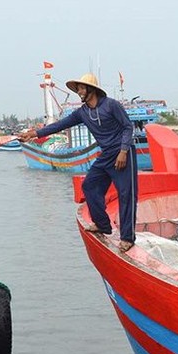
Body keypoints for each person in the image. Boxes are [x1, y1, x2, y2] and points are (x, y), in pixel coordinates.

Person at [33, 73, 138, 252]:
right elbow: (60, 125)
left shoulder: (111, 105)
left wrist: (123, 151)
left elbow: (128, 127)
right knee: (89, 185)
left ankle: (127, 237)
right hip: (106, 154)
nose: (79, 92)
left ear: (92, 90)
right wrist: (35, 134)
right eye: (78, 89)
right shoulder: (83, 112)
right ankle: (103, 224)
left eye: (82, 88)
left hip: (123, 153)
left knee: (126, 194)